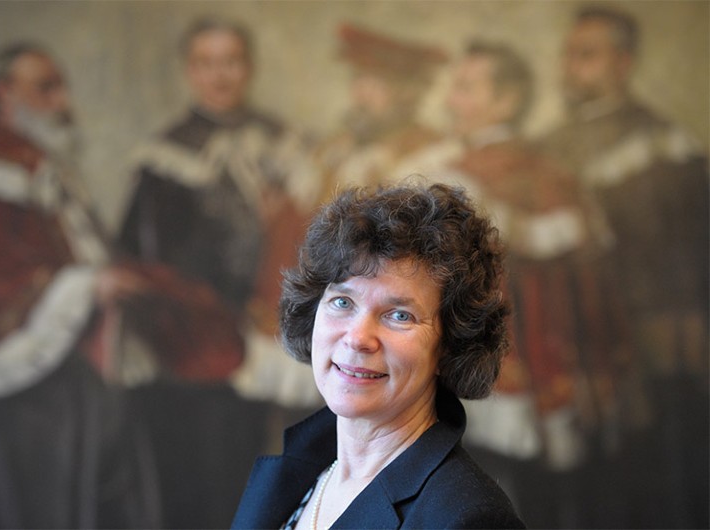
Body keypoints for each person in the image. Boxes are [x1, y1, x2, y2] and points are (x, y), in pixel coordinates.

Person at [0, 42, 161, 529]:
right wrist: (88, 285)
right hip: (16, 383)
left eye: (60, 87)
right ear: (3, 93)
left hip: (70, 372)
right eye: (46, 88)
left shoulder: (42, 166)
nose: (62, 102)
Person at [118, 16, 321, 529]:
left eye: (230, 62)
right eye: (206, 64)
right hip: (192, 341)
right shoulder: (165, 156)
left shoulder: (283, 145)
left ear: (248, 68)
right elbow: (139, 258)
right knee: (196, 479)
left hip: (263, 339)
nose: (220, 75)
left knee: (254, 473)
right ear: (190, 72)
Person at [232, 182, 525, 529]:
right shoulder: (297, 472)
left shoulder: (467, 517)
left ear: (450, 345)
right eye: (342, 302)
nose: (357, 338)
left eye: (399, 315)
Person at [439, 39, 637, 529]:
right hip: (546, 368)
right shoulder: (554, 172)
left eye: (466, 88)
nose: (451, 100)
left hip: (509, 368)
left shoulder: (466, 178)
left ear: (506, 101)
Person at [539, 6, 709, 528]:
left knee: (658, 474)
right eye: (570, 54)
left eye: (587, 55)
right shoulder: (549, 144)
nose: (572, 66)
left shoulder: (661, 143)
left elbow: (687, 255)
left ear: (623, 62)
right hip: (572, 336)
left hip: (646, 337)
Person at [314, 23, 451, 198]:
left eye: (376, 83)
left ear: (407, 92)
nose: (360, 95)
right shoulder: (336, 146)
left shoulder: (431, 150)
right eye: (357, 79)